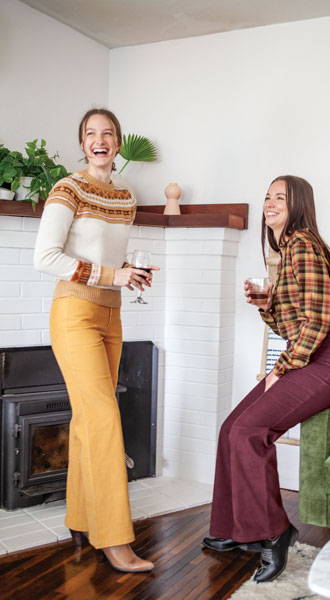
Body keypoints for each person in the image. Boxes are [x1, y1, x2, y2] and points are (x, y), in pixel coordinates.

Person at [202, 175, 330, 583]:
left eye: (280, 198)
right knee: (231, 428)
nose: (270, 203)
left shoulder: (303, 244)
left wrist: (281, 368)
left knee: (248, 431)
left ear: (298, 205)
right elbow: (293, 324)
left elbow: (320, 321)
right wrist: (265, 304)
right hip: (313, 357)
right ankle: (234, 529)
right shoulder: (288, 251)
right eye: (267, 196)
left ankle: (274, 532)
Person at [34, 108, 157, 573]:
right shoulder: (68, 188)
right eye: (91, 134)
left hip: (112, 314)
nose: (100, 140)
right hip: (74, 313)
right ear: (82, 143)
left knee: (89, 418)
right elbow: (45, 256)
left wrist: (130, 278)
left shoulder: (126, 195)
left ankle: (82, 517)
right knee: (106, 418)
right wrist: (113, 274)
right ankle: (114, 539)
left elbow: (112, 258)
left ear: (119, 143)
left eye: (108, 134)